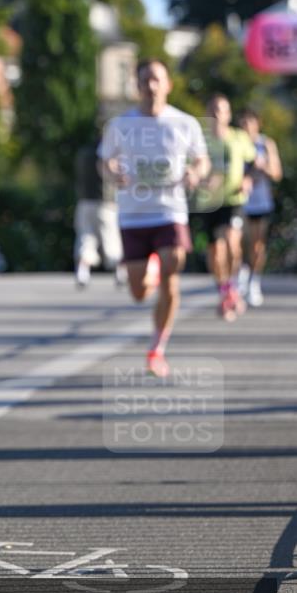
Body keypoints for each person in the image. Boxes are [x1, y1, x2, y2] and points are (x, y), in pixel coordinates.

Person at [99, 59, 210, 377]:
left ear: (168, 84)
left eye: (156, 80)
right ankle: (150, 268)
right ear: (137, 86)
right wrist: (111, 172)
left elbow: (201, 160)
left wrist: (194, 171)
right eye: (145, 80)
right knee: (138, 293)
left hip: (169, 211)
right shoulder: (120, 125)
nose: (151, 86)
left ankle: (157, 349)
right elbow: (103, 162)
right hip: (133, 216)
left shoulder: (185, 123)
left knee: (173, 272)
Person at [198, 95, 256, 321]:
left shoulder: (239, 138)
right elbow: (191, 168)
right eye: (212, 109)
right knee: (215, 252)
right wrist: (202, 180)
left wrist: (248, 179)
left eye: (220, 110)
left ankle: (232, 285)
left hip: (233, 200)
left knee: (231, 242)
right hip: (209, 202)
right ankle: (224, 290)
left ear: (228, 114)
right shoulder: (200, 140)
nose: (216, 114)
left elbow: (253, 163)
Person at [237, 107, 283, 307]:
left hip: (261, 202)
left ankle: (254, 280)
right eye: (243, 122)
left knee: (257, 245)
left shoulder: (266, 144)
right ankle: (240, 275)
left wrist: (262, 165)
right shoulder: (235, 143)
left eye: (250, 122)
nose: (246, 126)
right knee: (239, 242)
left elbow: (277, 173)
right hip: (239, 201)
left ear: (257, 124)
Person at [73, 134, 125, 288]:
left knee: (86, 238)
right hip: (106, 203)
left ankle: (83, 272)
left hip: (84, 201)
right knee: (111, 238)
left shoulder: (83, 153)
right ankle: (120, 273)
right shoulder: (109, 155)